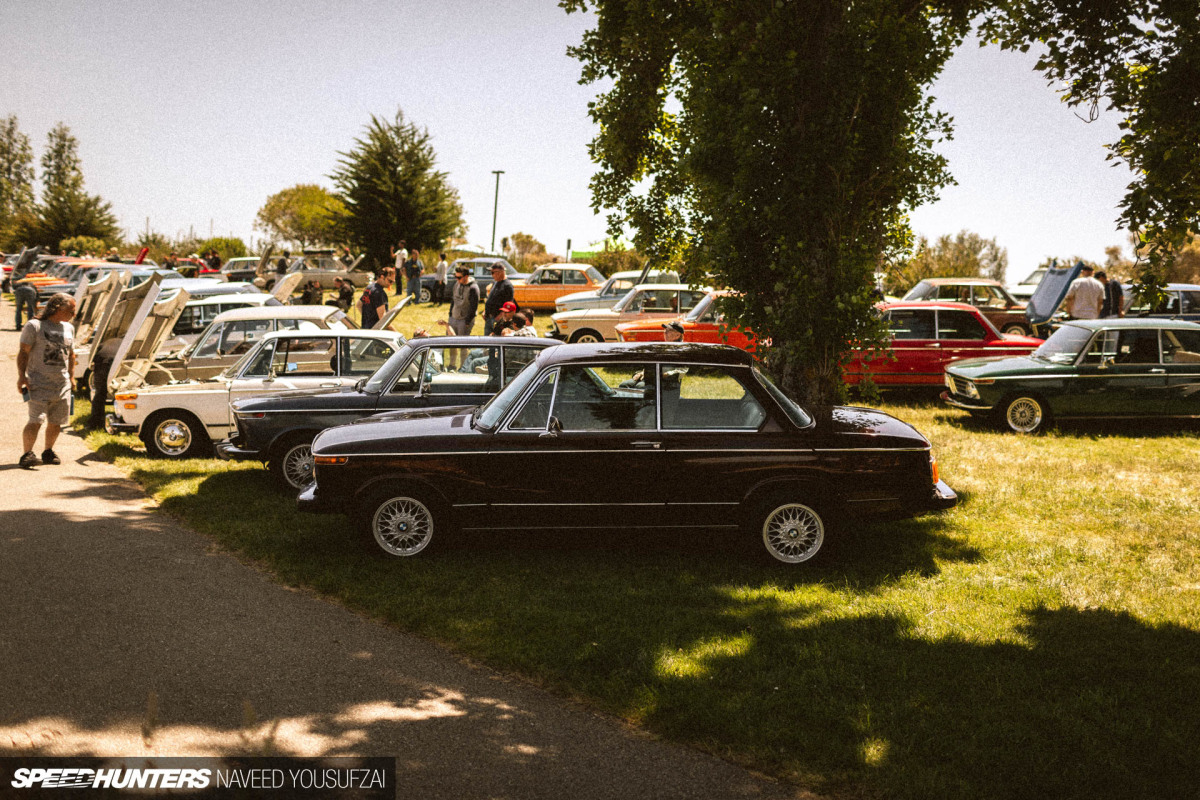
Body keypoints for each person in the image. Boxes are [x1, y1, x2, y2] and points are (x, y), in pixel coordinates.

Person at [17, 293, 77, 468]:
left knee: (56, 422)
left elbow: (72, 355)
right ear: (58, 307)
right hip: (38, 382)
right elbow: (23, 352)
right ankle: (27, 453)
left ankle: (48, 451)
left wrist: (72, 377)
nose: (74, 314)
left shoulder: (68, 328)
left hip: (62, 384)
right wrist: (22, 376)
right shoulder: (34, 326)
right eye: (71, 310)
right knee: (36, 420)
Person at [10, 249, 40, 330]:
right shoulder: (32, 277)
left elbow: (14, 285)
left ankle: (18, 325)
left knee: (18, 308)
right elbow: (37, 292)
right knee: (30, 308)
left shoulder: (19, 274)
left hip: (19, 290)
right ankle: (29, 327)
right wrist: (37, 300)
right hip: (30, 290)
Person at [447, 266, 480, 336]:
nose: (457, 279)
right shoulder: (457, 284)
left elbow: (473, 307)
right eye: (455, 277)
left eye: (459, 277)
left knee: (463, 344)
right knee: (451, 342)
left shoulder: (473, 288)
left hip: (464, 320)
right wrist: (450, 315)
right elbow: (453, 300)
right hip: (453, 318)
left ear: (466, 276)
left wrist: (467, 322)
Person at [483, 263, 515, 334]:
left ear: (501, 272)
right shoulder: (496, 282)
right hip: (489, 317)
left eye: (493, 272)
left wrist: (500, 317)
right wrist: (485, 311)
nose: (492, 275)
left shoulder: (507, 286)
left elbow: (508, 304)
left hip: (497, 319)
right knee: (486, 341)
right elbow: (490, 298)